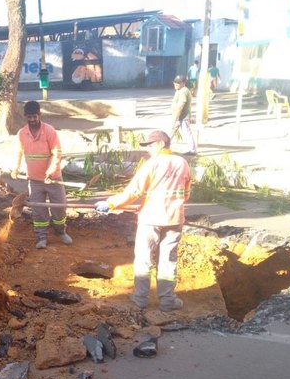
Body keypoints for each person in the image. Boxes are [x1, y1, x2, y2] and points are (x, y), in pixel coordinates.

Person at [95, 130, 191, 312]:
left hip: (151, 218)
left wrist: (109, 203)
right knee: (168, 261)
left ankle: (140, 299)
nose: (148, 150)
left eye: (150, 145)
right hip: (174, 218)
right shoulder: (182, 163)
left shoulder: (152, 164)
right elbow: (185, 194)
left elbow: (133, 192)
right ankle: (167, 301)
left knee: (144, 258)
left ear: (162, 144)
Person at [11, 100, 72, 249]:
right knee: (38, 211)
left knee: (59, 207)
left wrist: (51, 171)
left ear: (40, 115)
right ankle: (42, 237)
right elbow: (18, 152)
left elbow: (56, 153)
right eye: (29, 117)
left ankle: (61, 232)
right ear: (25, 116)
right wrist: (16, 168)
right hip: (34, 180)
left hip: (53, 179)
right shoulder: (22, 134)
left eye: (35, 116)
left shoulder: (49, 131)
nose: (32, 120)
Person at [171, 75, 197, 155]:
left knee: (186, 133)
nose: (175, 84)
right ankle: (165, 146)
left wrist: (176, 118)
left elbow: (181, 106)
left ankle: (192, 150)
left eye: (178, 83)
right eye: (175, 82)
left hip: (182, 117)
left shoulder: (183, 91)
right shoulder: (179, 90)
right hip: (179, 117)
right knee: (172, 132)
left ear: (183, 83)